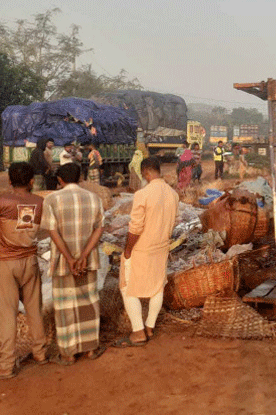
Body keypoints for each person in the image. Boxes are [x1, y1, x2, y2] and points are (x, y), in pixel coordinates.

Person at [41, 163, 106, 365]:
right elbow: (99, 229)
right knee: (88, 302)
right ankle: (90, 349)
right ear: (80, 178)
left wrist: (69, 258)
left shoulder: (52, 199)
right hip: (88, 261)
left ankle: (68, 353)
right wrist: (83, 255)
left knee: (65, 305)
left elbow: (52, 232)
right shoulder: (94, 198)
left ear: (60, 180)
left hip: (63, 262)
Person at [115, 157, 178, 347]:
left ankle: (138, 331)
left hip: (142, 248)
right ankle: (149, 326)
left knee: (127, 287)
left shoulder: (142, 194)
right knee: (157, 287)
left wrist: (127, 250)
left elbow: (135, 227)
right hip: (161, 247)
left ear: (146, 173)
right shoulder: (173, 194)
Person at [0, 162, 48, 379]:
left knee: (6, 315)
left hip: (5, 264)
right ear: (31, 181)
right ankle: (40, 354)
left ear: (10, 181)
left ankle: (6, 366)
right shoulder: (40, 202)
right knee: (34, 311)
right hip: (30, 261)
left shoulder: (3, 201)